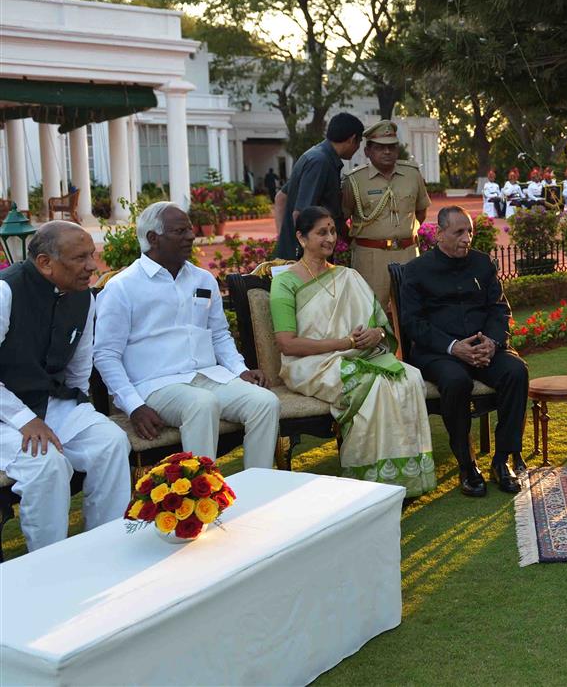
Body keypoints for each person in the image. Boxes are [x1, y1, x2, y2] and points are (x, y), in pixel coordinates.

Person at [95, 202, 280, 469]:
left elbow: (218, 334)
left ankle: (259, 487)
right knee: (201, 404)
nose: (191, 236)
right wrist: (133, 405)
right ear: (153, 238)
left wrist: (239, 369)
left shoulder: (202, 279)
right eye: (180, 231)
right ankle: (202, 497)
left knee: (265, 402)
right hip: (155, 385)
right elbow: (106, 355)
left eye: (190, 229)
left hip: (208, 376)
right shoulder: (122, 287)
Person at [271, 207, 436, 496]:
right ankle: (369, 480)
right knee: (372, 384)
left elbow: (379, 329)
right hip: (309, 364)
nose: (330, 238)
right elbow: (287, 343)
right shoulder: (285, 282)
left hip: (359, 355)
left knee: (408, 378)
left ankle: (404, 476)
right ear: (301, 237)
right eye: (322, 232)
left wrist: (376, 334)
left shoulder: (348, 276)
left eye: (333, 231)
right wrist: (345, 344)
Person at [0, 222, 130, 552]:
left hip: (48, 402)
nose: (92, 266)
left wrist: (80, 404)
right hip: (6, 412)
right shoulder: (5, 292)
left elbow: (79, 363)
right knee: (47, 465)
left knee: (111, 441)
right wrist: (23, 419)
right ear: (45, 262)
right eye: (80, 258)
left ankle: (105, 547)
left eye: (92, 255)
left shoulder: (83, 296)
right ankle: (47, 562)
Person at [398, 206, 528, 496]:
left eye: (469, 231)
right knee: (457, 381)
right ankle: (467, 464)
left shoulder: (483, 263)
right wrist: (453, 347)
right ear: (440, 234)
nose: (467, 238)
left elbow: (499, 309)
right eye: (459, 232)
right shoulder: (416, 270)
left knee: (516, 371)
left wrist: (492, 342)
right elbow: (412, 323)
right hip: (439, 353)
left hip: (484, 348)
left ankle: (501, 460)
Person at [342, 120, 430, 310]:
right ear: (367, 151)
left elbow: (421, 211)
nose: (387, 152)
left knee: (413, 308)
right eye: (380, 147)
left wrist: (405, 234)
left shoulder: (412, 174)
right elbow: (342, 218)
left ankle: (407, 342)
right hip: (370, 257)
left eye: (391, 147)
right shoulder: (354, 180)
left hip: (408, 253)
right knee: (371, 311)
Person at [275, 113, 364, 259]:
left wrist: (285, 241)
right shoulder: (321, 163)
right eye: (359, 142)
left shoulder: (315, 156)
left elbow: (281, 198)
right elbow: (301, 214)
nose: (358, 148)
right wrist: (304, 252)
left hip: (297, 252)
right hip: (308, 259)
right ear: (352, 139)